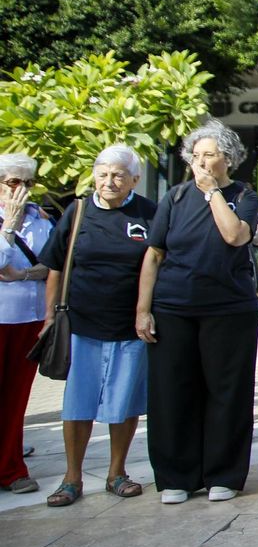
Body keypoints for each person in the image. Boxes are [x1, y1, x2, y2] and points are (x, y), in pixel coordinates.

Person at [136, 121, 258, 504]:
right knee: (171, 392)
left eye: (210, 155)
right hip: (173, 308)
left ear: (229, 159)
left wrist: (212, 194)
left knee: (227, 393)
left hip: (229, 309)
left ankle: (223, 474)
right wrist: (143, 310)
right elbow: (154, 254)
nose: (201, 162)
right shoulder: (175, 197)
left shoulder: (244, 195)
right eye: (196, 155)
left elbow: (235, 236)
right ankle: (176, 476)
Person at [38, 147, 157, 506]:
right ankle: (71, 477)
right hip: (81, 324)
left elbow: (158, 262)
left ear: (135, 179)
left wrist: (147, 312)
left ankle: (116, 473)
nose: (109, 181)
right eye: (103, 174)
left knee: (124, 402)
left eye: (118, 174)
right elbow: (55, 266)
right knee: (78, 403)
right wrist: (49, 317)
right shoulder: (78, 212)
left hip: (130, 325)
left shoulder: (149, 213)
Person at [0, 154, 52, 496]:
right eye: (13, 182)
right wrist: (8, 227)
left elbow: (50, 264)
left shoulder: (41, 220)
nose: (21, 190)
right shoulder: (12, 220)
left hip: (29, 318)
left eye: (28, 183)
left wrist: (21, 274)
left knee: (16, 398)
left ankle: (11, 468)